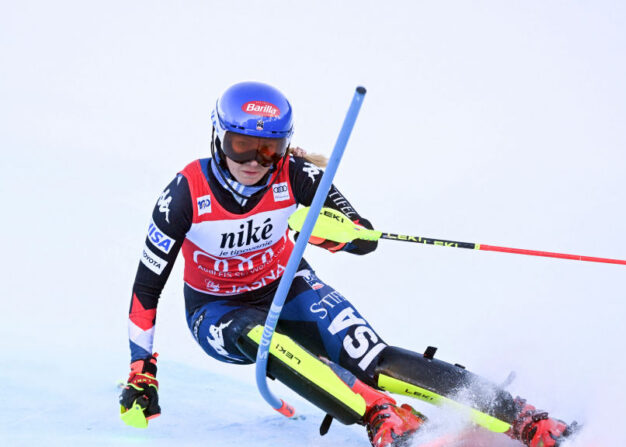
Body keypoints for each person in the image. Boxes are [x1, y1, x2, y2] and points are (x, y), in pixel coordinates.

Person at [119, 81, 575, 447]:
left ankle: (519, 416)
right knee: (258, 338)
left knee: (367, 354)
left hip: (288, 285)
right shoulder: (184, 193)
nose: (254, 163)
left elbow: (362, 237)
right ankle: (381, 416)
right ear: (219, 137)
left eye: (269, 150)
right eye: (241, 146)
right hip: (216, 309)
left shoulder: (297, 175)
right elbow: (147, 286)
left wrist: (329, 231)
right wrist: (143, 370)